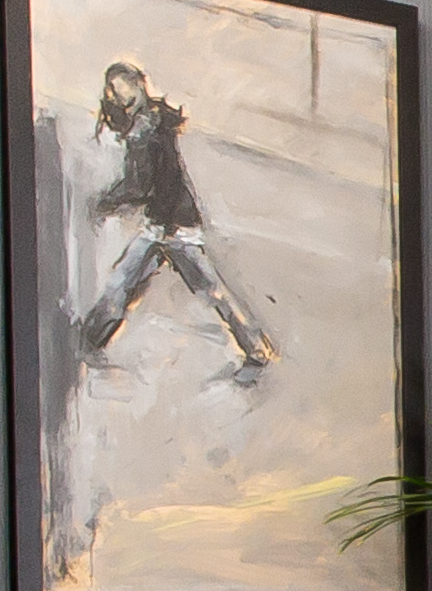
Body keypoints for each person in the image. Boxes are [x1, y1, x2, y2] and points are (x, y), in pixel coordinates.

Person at [72, 58, 279, 378]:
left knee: (191, 288)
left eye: (116, 88)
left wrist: (106, 203)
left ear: (135, 86)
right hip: (167, 224)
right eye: (111, 90)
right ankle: (90, 339)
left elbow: (138, 186)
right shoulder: (155, 119)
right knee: (136, 282)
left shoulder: (144, 128)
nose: (112, 96)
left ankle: (256, 349)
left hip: (171, 227)